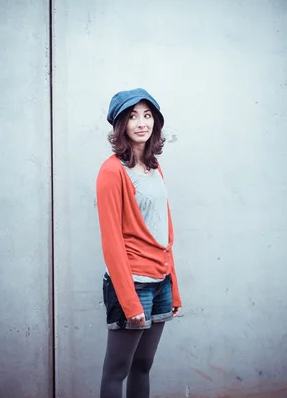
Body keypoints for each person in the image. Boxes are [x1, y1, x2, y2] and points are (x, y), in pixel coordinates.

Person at [96, 88, 182, 398]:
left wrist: (172, 286)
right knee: (116, 370)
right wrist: (129, 300)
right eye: (132, 116)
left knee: (143, 365)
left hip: (159, 282)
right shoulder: (111, 171)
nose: (141, 123)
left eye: (147, 116)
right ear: (120, 124)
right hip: (132, 284)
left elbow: (164, 232)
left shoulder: (154, 167)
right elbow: (111, 241)